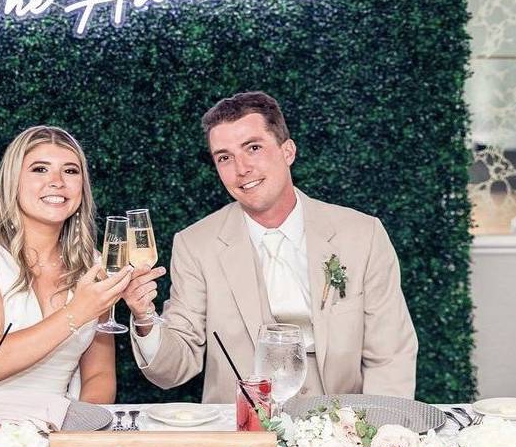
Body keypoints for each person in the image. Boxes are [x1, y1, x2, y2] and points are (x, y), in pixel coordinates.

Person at [123, 92, 418, 403]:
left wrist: (374, 434)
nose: (241, 168)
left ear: (287, 151)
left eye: (253, 148)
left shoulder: (362, 235)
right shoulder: (196, 244)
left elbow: (390, 354)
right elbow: (175, 367)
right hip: (243, 431)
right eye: (224, 157)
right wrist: (144, 317)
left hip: (343, 427)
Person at [0, 126, 132, 406]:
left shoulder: (94, 265)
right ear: (14, 182)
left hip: (55, 427)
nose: (57, 181)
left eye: (70, 171)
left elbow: (99, 375)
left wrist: (79, 431)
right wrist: (77, 312)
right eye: (39, 169)